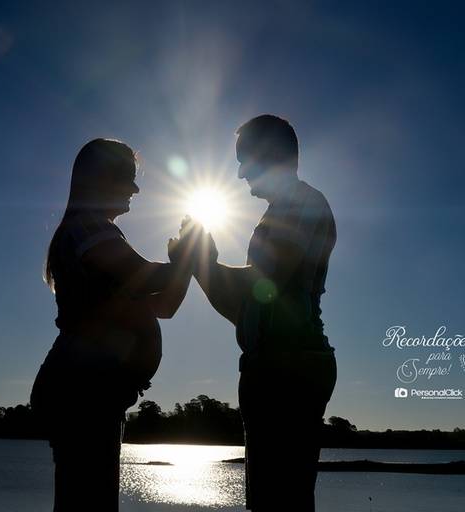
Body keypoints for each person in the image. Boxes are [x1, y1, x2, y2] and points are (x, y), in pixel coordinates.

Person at [30, 138, 196, 512]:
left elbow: (165, 305)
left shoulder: (98, 231)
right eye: (127, 177)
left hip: (98, 392)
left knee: (89, 498)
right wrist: (186, 257)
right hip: (82, 389)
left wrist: (188, 260)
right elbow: (143, 275)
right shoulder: (87, 227)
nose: (135, 188)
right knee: (87, 499)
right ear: (101, 178)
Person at [189, 115, 337, 511]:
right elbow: (247, 309)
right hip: (272, 364)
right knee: (268, 498)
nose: (239, 173)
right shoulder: (282, 210)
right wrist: (202, 265)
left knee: (281, 498)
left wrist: (203, 260)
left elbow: (265, 281)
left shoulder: (302, 204)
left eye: (244, 159)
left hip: (290, 367)